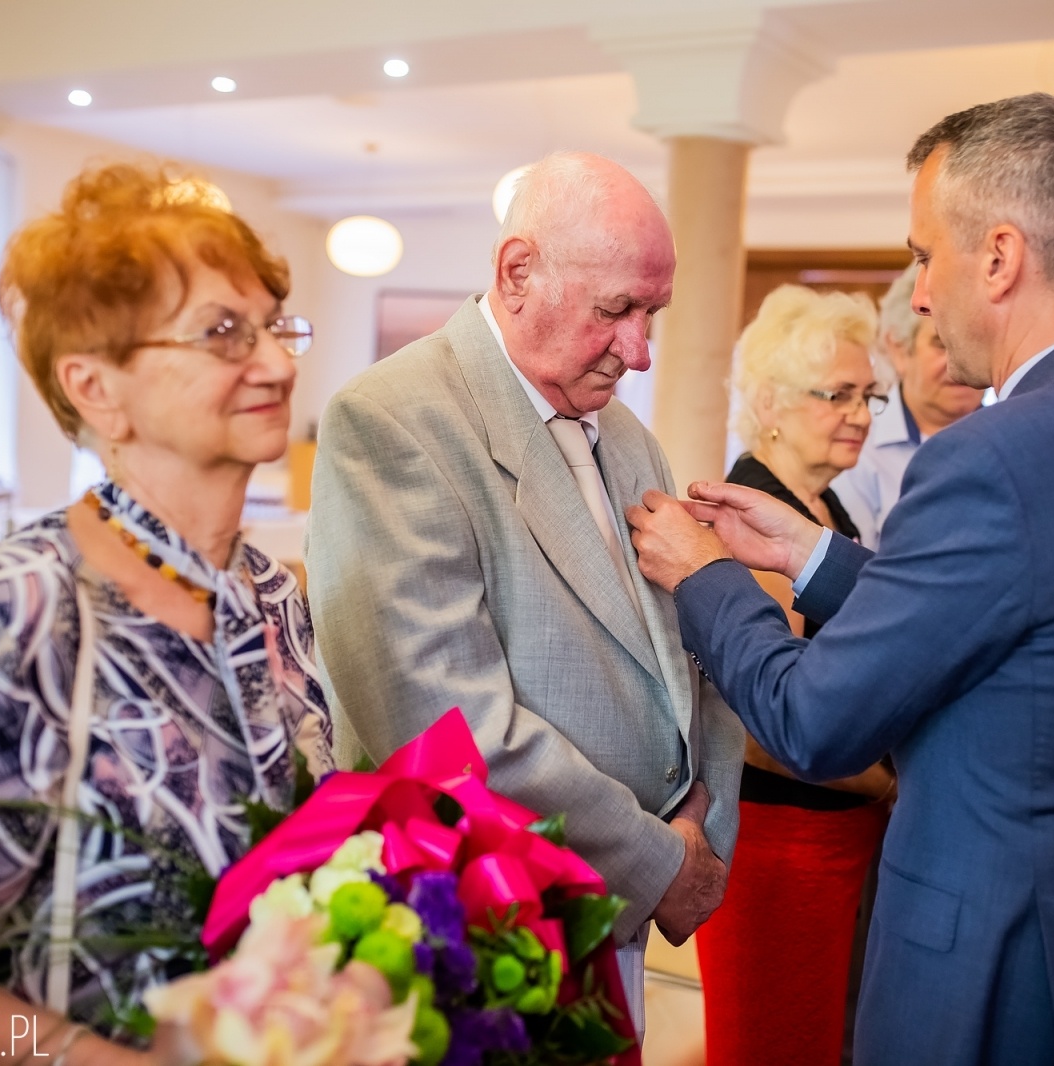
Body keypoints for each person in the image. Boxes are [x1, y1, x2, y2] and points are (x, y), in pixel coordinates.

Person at [627, 94, 1054, 1065]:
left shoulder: (996, 454)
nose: (916, 294)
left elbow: (815, 721)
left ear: (998, 257)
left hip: (1003, 975)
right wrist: (809, 554)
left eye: (924, 256)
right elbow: (1022, 617)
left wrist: (705, 574)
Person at [0, 164, 334, 1064]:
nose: (277, 362)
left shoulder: (272, 596)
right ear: (96, 389)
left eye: (275, 324)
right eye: (224, 333)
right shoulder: (16, 610)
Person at [305, 151, 745, 1034]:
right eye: (616, 310)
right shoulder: (394, 419)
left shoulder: (623, 434)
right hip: (487, 924)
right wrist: (660, 861)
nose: (641, 352)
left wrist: (707, 827)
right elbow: (446, 730)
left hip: (619, 918)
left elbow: (687, 655)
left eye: (652, 313)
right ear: (517, 273)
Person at [699, 284, 895, 1066]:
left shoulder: (828, 508)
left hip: (840, 828)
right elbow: (757, 726)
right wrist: (886, 785)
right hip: (781, 841)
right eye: (838, 393)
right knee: (773, 1042)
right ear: (771, 401)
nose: (861, 412)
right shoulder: (752, 510)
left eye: (868, 394)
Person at [830, 262, 985, 547]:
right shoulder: (855, 442)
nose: (959, 362)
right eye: (941, 343)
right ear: (899, 349)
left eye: (973, 342)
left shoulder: (1011, 437)